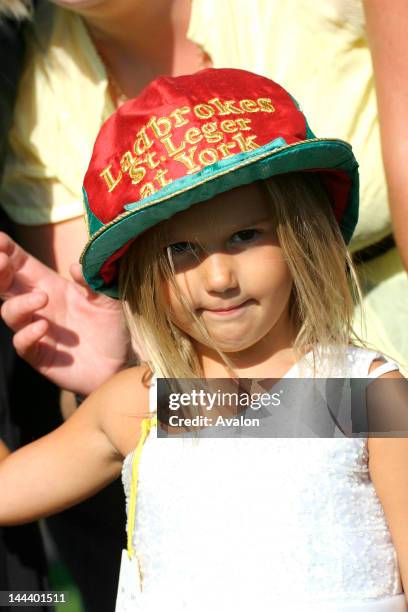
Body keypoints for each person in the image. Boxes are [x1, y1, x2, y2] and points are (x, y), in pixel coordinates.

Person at [1, 68, 408, 611]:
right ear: (145, 271)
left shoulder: (367, 395)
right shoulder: (140, 404)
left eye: (245, 236)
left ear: (302, 234)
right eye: (181, 251)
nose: (218, 279)